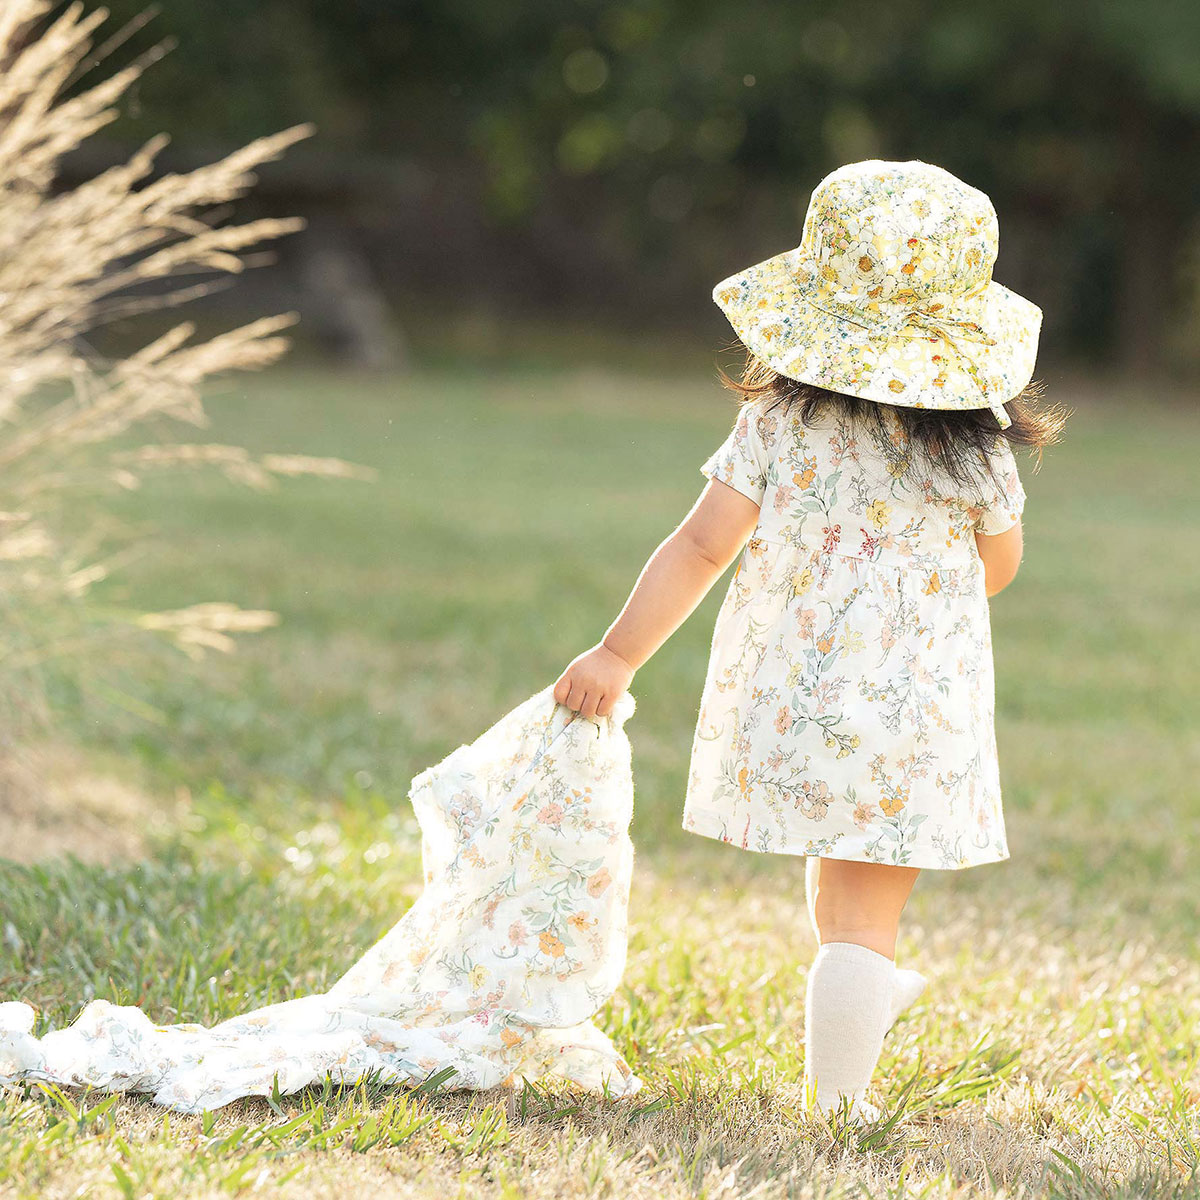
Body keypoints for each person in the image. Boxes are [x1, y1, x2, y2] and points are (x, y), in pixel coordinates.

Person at [552, 159, 1068, 1123]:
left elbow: (703, 544)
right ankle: (840, 1096)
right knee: (867, 909)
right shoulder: (975, 444)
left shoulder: (780, 418)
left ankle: (859, 995)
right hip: (914, 715)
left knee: (840, 899)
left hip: (793, 701)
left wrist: (617, 655)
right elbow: (999, 570)